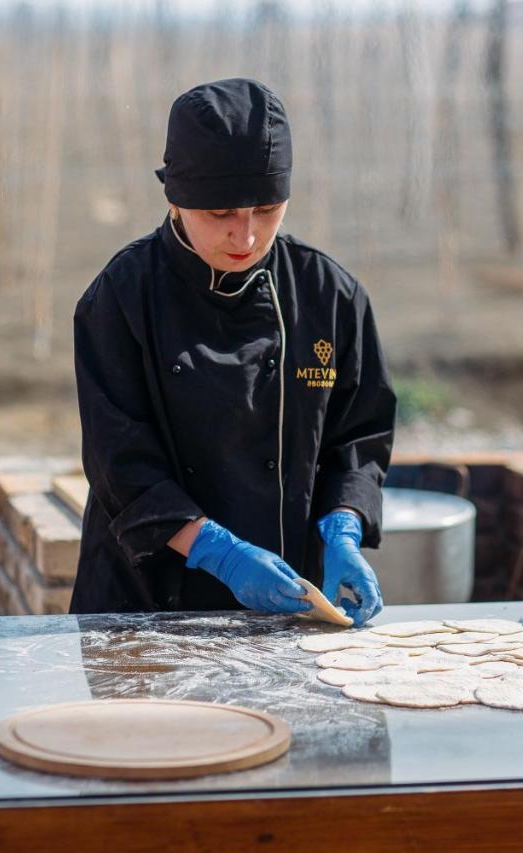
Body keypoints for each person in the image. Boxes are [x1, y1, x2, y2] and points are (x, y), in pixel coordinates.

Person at [70, 78, 396, 628]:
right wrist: (218, 551)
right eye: (221, 214)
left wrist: (344, 525)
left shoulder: (329, 295)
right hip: (146, 608)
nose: (246, 236)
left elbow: (358, 437)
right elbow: (119, 462)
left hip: (289, 597)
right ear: (177, 198)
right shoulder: (123, 296)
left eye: (267, 209)